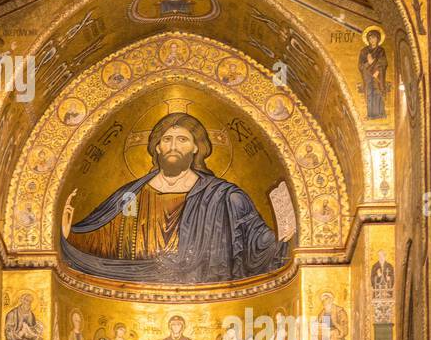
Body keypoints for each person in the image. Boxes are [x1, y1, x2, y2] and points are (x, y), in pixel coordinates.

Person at [61, 112, 288, 283]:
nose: (173, 146)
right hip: (137, 290)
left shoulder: (225, 197)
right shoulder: (131, 195)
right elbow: (103, 240)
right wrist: (68, 233)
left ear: (196, 148)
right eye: (167, 139)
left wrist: (286, 233)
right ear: (157, 148)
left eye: (182, 140)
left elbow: (258, 245)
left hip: (207, 297)